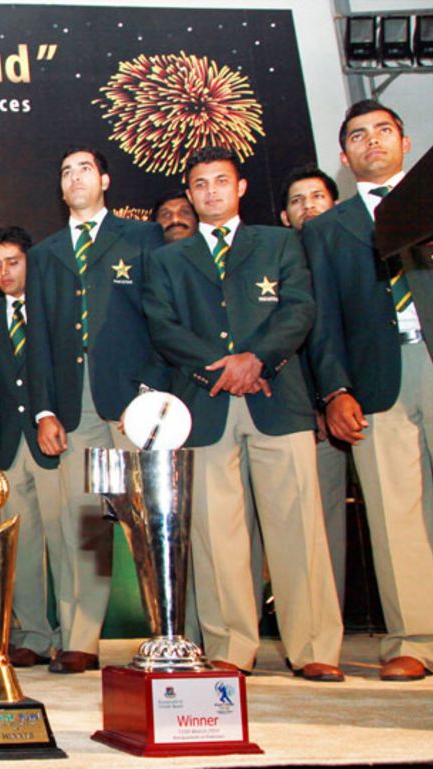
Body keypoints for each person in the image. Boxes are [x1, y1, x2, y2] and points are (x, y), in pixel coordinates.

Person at [144, 146, 343, 681]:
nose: (210, 191)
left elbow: (299, 309)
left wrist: (257, 360)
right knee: (216, 535)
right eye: (200, 184)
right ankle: (232, 645)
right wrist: (219, 369)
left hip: (277, 399)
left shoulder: (280, 243)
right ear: (189, 194)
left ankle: (314, 647)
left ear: (241, 187)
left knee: (298, 527)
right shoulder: (165, 260)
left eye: (220, 181)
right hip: (205, 407)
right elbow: (163, 328)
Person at [26, 146, 167, 673]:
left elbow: (161, 317)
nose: (75, 177)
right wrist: (44, 411)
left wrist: (155, 391)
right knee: (81, 523)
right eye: (65, 172)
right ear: (60, 189)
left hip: (137, 398)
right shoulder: (45, 255)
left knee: (154, 520)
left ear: (105, 179)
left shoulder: (142, 237)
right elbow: (37, 339)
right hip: (72, 402)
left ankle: (174, 631)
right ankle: (80, 637)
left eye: (84, 168)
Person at [305, 100, 432, 681]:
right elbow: (324, 318)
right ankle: (414, 638)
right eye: (358, 136)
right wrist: (335, 390)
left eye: (383, 131)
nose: (372, 142)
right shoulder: (330, 228)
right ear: (344, 157)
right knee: (392, 511)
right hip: (379, 380)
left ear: (405, 141)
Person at [0, 226, 63, 667]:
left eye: (13, 262)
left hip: (53, 442)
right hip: (10, 448)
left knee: (66, 542)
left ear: (30, 263)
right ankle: (32, 634)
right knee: (22, 547)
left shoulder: (53, 308)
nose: (4, 272)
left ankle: (73, 638)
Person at [278, 163, 349, 609]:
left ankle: (331, 618)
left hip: (354, 402)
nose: (308, 208)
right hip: (296, 410)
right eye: (297, 201)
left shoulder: (351, 253)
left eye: (317, 198)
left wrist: (338, 394)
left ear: (334, 204)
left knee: (332, 519)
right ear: (285, 215)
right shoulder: (276, 259)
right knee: (301, 524)